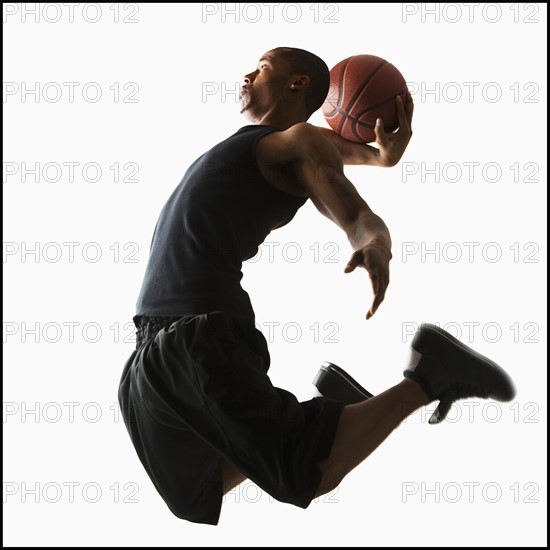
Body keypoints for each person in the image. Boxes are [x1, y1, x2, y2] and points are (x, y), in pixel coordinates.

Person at [117, 47, 516, 525]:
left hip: (196, 335)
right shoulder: (277, 140)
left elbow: (349, 204)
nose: (247, 72)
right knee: (195, 490)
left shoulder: (298, 144)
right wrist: (380, 156)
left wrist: (374, 242)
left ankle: (430, 375)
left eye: (262, 66)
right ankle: (336, 416)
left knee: (302, 469)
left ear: (297, 84)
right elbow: (331, 147)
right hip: (148, 347)